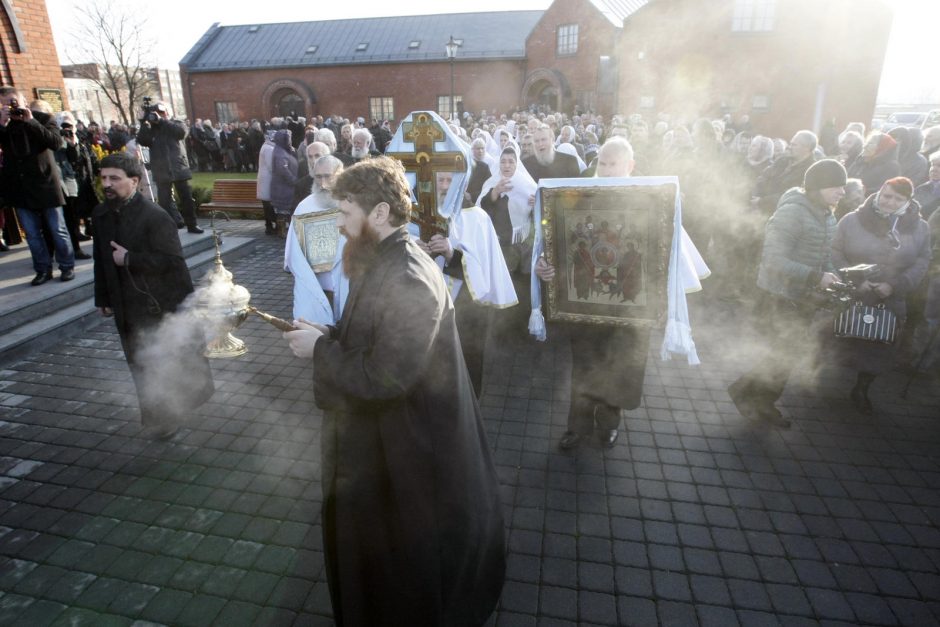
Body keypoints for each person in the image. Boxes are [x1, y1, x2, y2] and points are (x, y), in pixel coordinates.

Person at [283, 157, 505, 626]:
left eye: (345, 213)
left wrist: (321, 350)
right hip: (387, 439)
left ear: (379, 213)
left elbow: (388, 376)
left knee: (403, 571)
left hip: (409, 451)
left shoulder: (407, 274)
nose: (339, 225)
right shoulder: (382, 258)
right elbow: (370, 333)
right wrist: (331, 331)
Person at [534, 137, 653, 449]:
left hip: (625, 309)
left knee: (618, 366)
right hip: (585, 306)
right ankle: (578, 427)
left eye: (614, 163)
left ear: (630, 166)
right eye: (603, 162)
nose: (608, 169)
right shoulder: (578, 197)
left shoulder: (650, 201)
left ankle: (609, 422)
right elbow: (558, 239)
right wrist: (545, 266)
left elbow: (663, 257)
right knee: (585, 367)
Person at [92, 152, 214, 439]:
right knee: (138, 360)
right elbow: (101, 259)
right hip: (124, 305)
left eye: (114, 179)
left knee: (160, 361)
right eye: (103, 178)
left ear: (134, 181)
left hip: (157, 304)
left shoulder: (155, 216)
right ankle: (157, 413)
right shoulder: (101, 214)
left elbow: (173, 263)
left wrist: (130, 259)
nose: (107, 184)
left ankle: (167, 417)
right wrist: (103, 298)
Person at [728, 159, 847, 429]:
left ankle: (756, 399)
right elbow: (773, 260)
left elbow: (824, 255)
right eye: (836, 186)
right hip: (778, 295)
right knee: (782, 352)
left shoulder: (827, 213)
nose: (842, 192)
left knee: (786, 353)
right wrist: (817, 276)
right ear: (817, 186)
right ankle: (749, 397)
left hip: (803, 296)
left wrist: (831, 273)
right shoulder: (792, 213)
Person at [830, 176, 930, 413]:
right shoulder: (852, 219)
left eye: (898, 198)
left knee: (879, 345)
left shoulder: (920, 227)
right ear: (878, 193)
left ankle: (862, 388)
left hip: (891, 295)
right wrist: (856, 279)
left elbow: (922, 259)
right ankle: (819, 377)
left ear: (908, 201)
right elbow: (834, 250)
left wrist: (896, 284)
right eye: (886, 195)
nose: (889, 202)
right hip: (851, 290)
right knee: (836, 335)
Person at [0, 86, 76, 285]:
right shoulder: (4, 125)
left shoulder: (43, 119)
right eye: (6, 104)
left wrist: (30, 121)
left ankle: (67, 266)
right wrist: (1, 123)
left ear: (23, 100)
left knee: (57, 229)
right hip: (20, 190)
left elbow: (56, 143)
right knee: (33, 235)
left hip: (46, 185)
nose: (11, 106)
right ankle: (43, 270)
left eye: (14, 102)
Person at [286, 155, 347, 324]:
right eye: (318, 177)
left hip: (347, 280)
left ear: (340, 174)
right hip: (315, 284)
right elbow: (293, 252)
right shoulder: (304, 207)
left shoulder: (352, 203)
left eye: (328, 176)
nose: (323, 183)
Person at [135, 101, 204, 234]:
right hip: (161, 170)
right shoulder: (151, 129)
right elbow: (143, 140)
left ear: (167, 112)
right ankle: (169, 226)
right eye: (156, 113)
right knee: (164, 202)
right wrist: (143, 123)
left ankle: (192, 224)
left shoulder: (176, 123)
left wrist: (162, 121)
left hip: (178, 167)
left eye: (161, 112)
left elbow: (181, 133)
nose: (159, 115)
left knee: (187, 199)